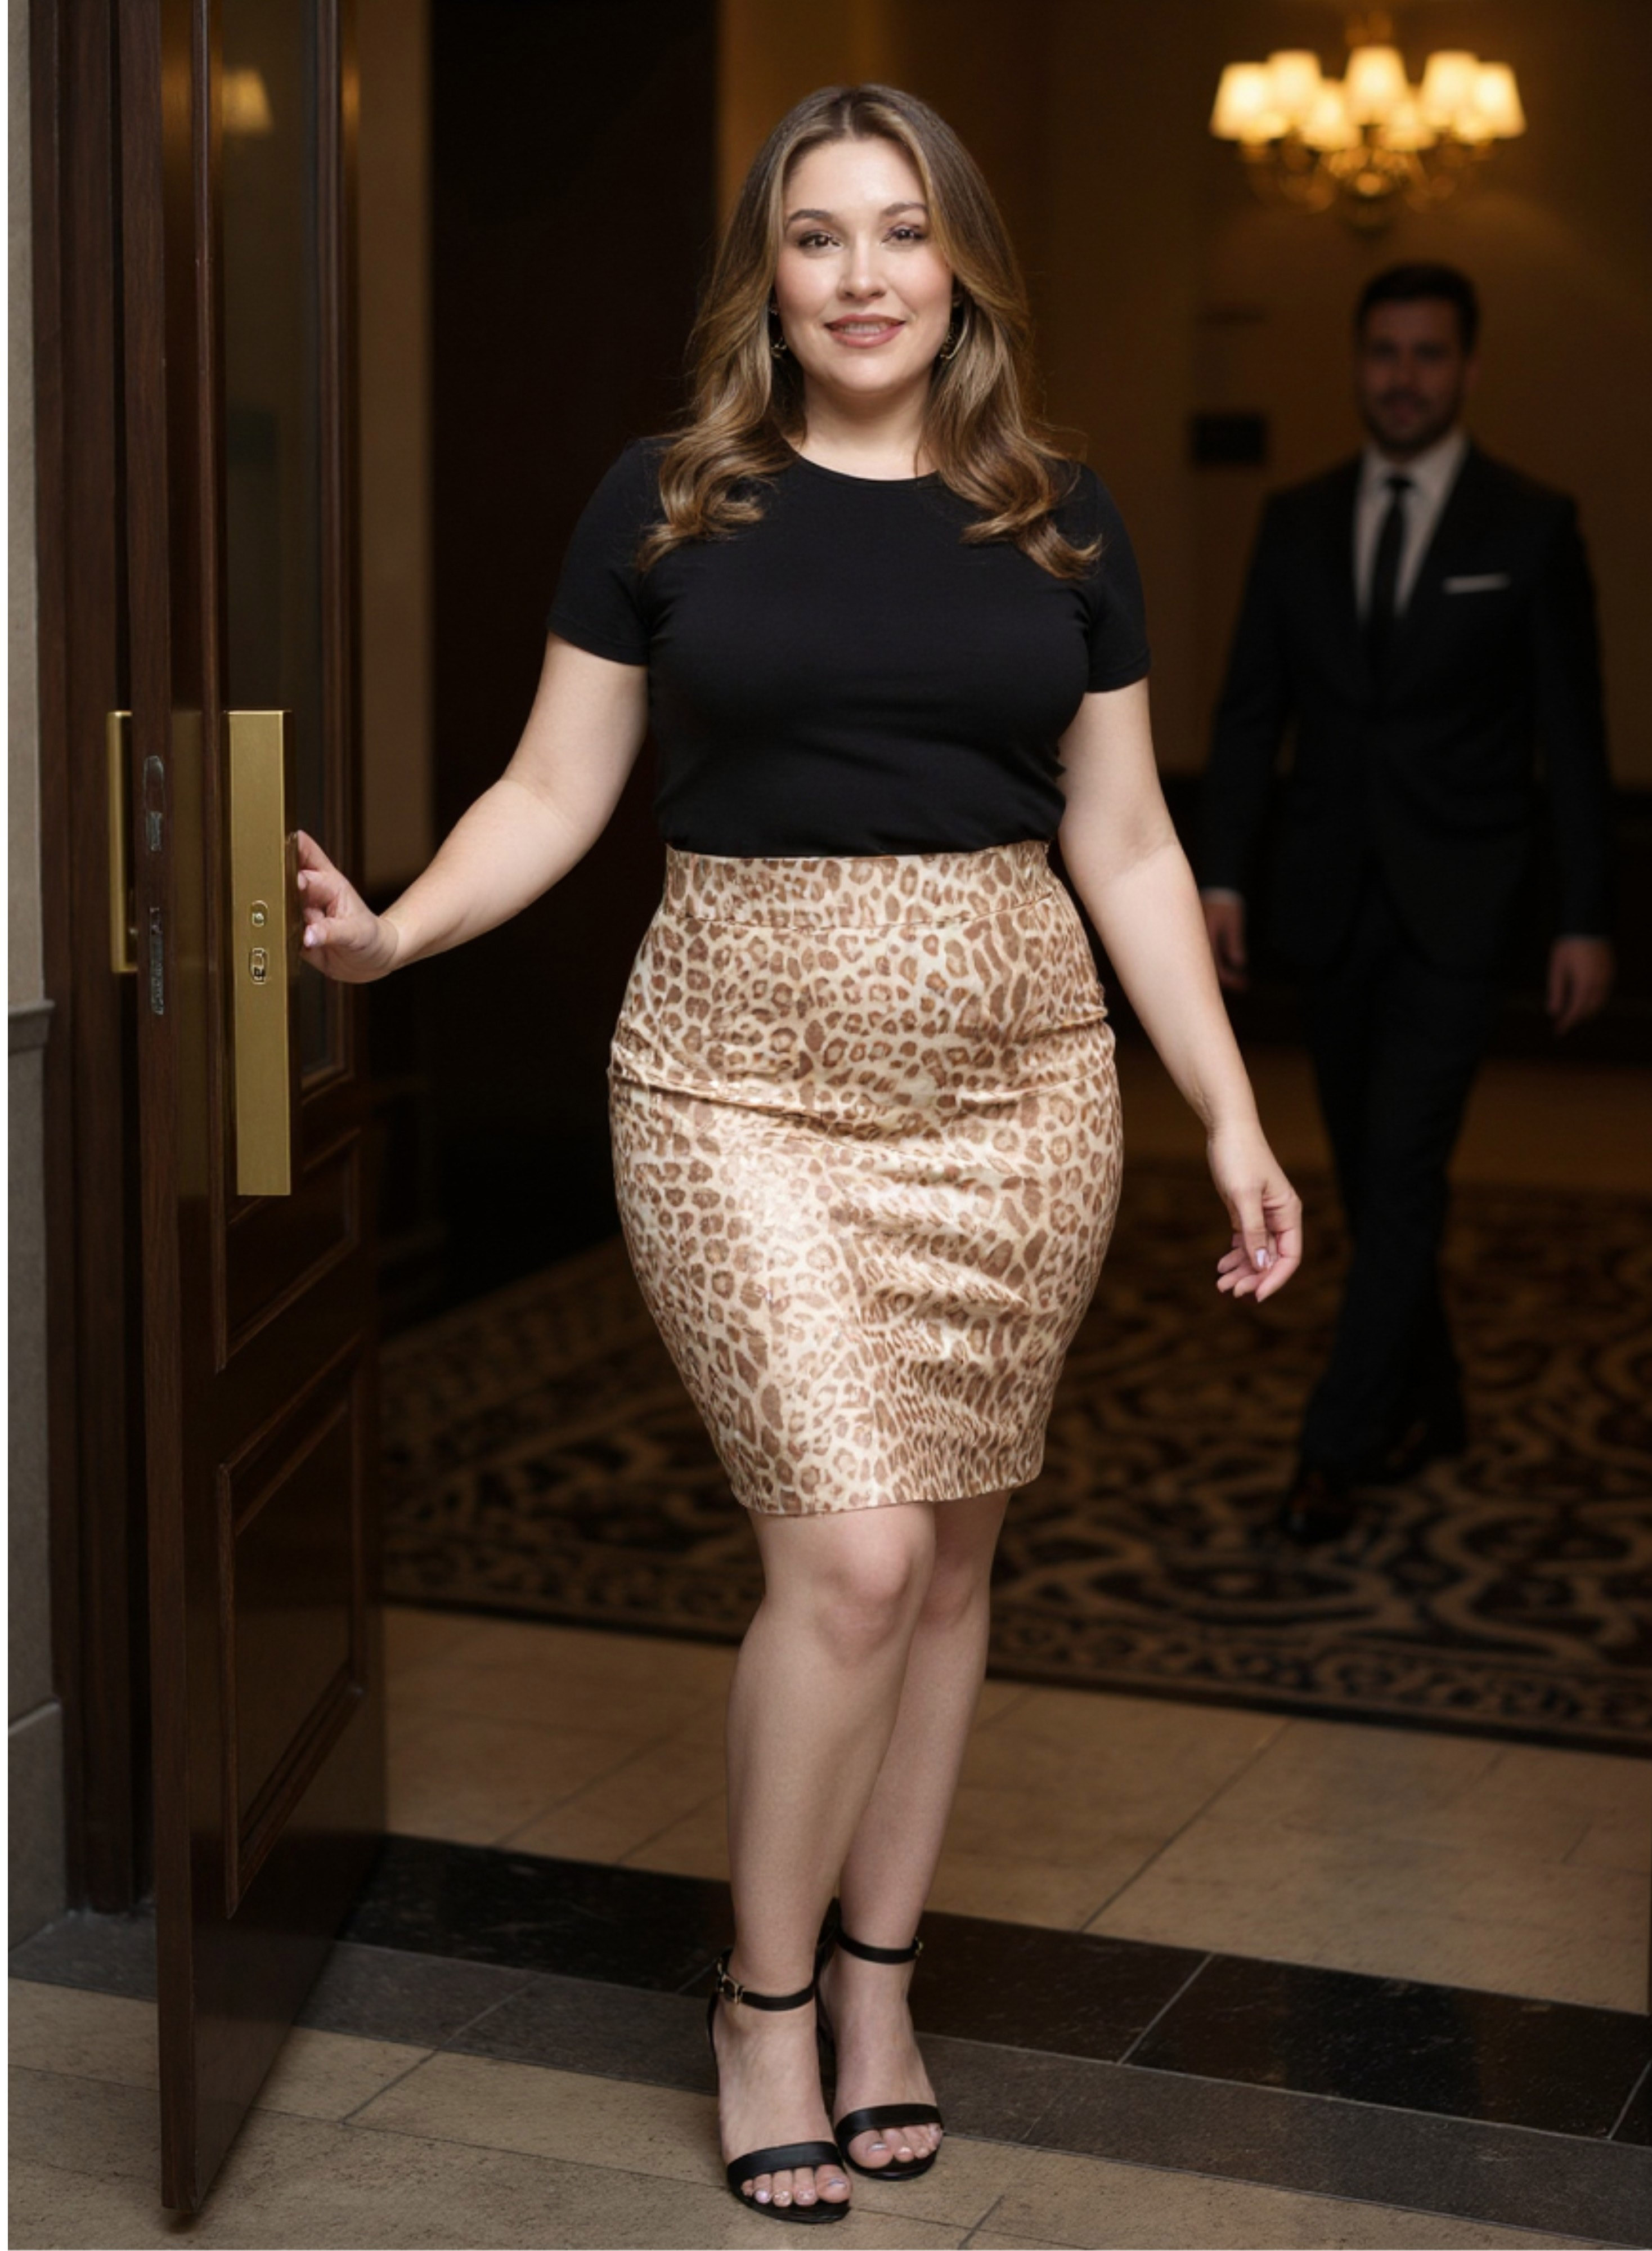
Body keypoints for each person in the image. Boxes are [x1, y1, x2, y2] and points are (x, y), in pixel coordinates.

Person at [296, 83, 1301, 2225]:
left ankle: (877, 1985)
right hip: (731, 1084)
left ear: (963, 268)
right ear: (767, 273)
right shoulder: (669, 501)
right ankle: (762, 2003)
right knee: (847, 1555)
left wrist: (1227, 1110)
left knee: (950, 1563)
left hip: (1022, 1089)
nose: (864, 277)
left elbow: (1128, 841)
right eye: (820, 235)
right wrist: (395, 930)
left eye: (903, 232)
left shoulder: (1062, 517)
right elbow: (554, 791)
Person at [1198, 262, 1615, 1548]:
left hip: (1463, 903)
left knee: (1406, 1170)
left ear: (1468, 368)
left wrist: (1587, 914)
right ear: (1358, 361)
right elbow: (1250, 710)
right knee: (1373, 1176)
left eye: (1429, 354)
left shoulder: (1530, 526)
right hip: (1326, 902)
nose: (1404, 376)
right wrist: (1220, 875)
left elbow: (1572, 735)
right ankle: (1438, 1398)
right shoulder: (1297, 519)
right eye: (1384, 352)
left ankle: (1334, 1446)